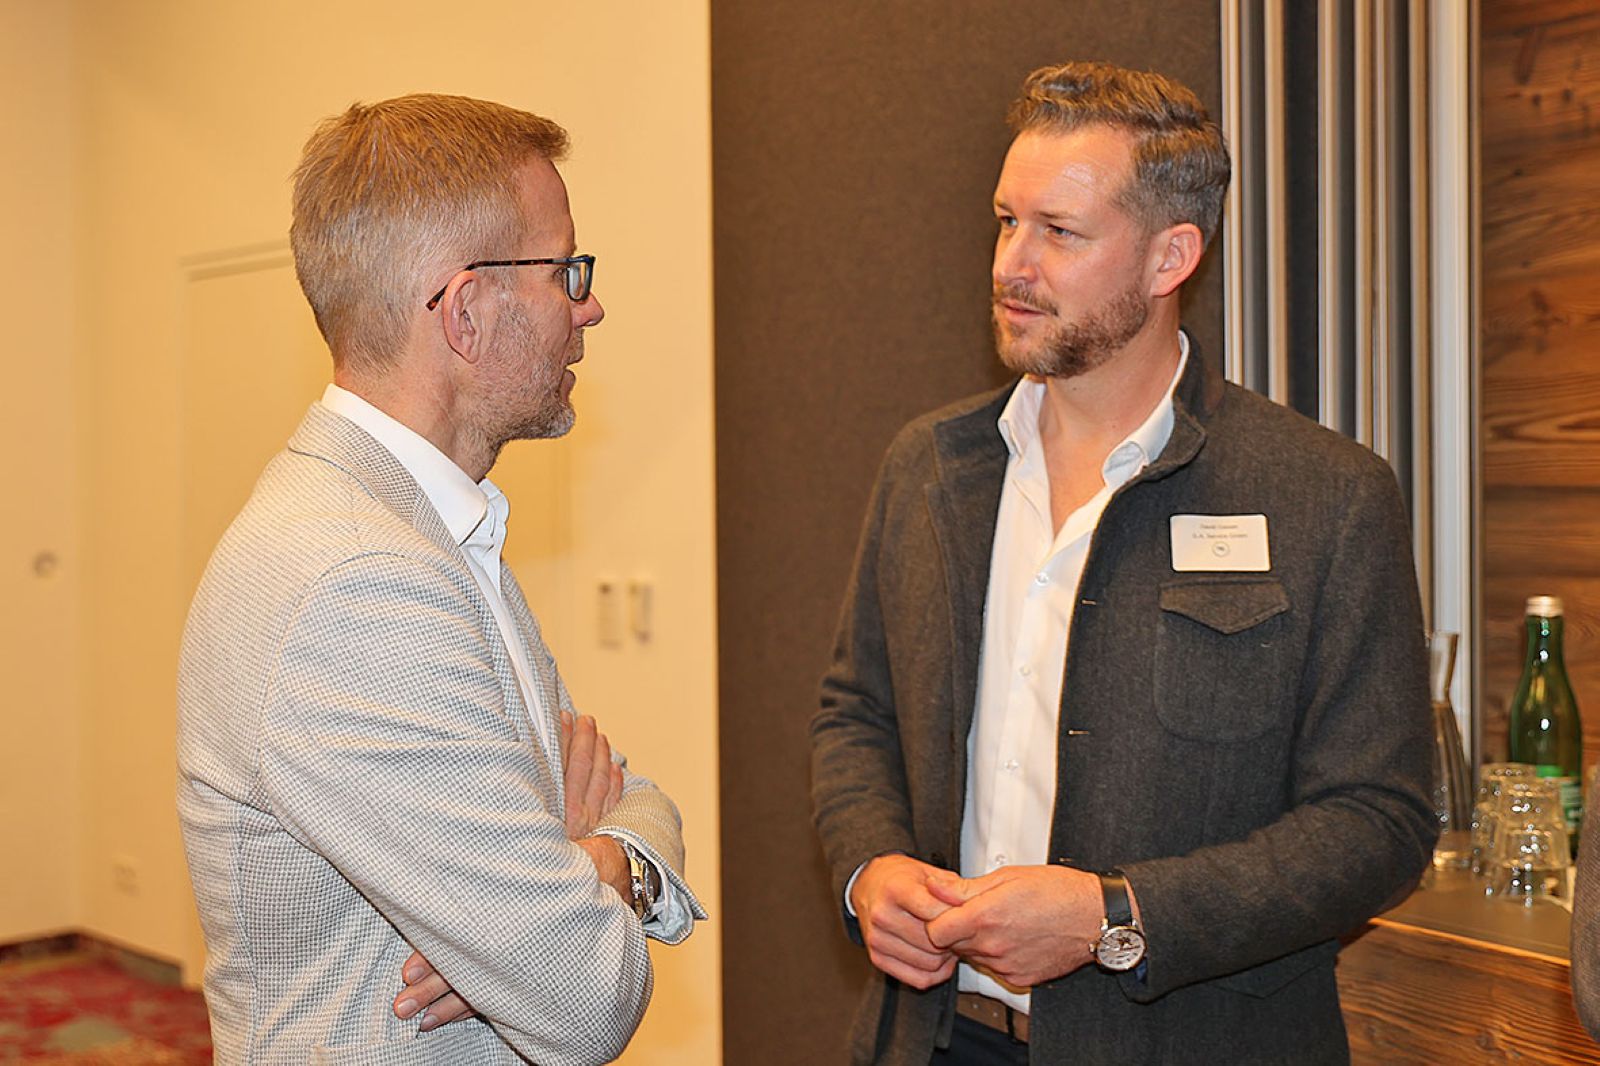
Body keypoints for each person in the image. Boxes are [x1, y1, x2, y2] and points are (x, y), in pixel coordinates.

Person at [810, 61, 1436, 1064]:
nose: (1011, 264)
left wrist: (1117, 915)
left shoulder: (1326, 495)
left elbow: (1379, 821)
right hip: (933, 1037)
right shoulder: (930, 468)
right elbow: (857, 713)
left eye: (1059, 232)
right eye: (1005, 221)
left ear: (1169, 257)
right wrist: (868, 868)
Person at [177, 94, 704, 1065]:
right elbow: (583, 993)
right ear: (467, 310)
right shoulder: (355, 580)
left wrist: (584, 869)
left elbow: (636, 796)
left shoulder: (429, 532)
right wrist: (574, 889)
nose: (588, 305)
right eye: (565, 271)